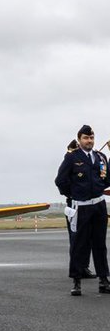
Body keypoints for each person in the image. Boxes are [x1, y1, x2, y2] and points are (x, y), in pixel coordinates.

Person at [55, 125, 110, 296]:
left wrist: (99, 188)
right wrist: (73, 194)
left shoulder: (101, 157)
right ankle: (77, 281)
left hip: (99, 206)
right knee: (79, 244)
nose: (89, 141)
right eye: (86, 138)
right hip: (81, 207)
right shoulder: (72, 158)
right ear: (79, 139)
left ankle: (103, 279)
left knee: (100, 244)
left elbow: (107, 179)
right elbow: (60, 180)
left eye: (92, 138)